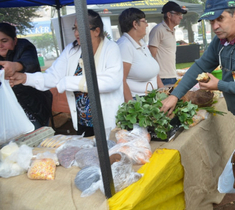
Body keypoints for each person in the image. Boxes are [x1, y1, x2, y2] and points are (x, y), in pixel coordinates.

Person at [160, 0, 235, 210]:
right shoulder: (222, 39)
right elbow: (202, 65)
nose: (215, 26)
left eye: (220, 18)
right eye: (211, 21)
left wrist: (219, 85)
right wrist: (174, 95)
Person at [10, 10, 124, 138]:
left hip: (108, 122)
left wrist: (67, 82)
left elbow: (111, 81)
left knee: (110, 155)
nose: (76, 33)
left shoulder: (111, 48)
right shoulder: (71, 50)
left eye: (80, 29)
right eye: (74, 28)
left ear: (97, 31)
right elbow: (52, 76)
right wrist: (25, 78)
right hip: (82, 122)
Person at [0, 22, 52, 129]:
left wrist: (15, 66)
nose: (0, 46)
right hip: (9, 109)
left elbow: (30, 62)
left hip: (33, 106)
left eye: (4, 41)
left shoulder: (24, 46)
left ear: (15, 40)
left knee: (36, 136)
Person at [116, 8, 163, 102]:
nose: (147, 24)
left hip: (152, 98)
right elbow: (121, 79)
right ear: (135, 24)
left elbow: (154, 72)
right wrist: (132, 106)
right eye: (144, 21)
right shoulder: (124, 46)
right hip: (138, 100)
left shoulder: (141, 42)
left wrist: (163, 91)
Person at [148, 1, 187, 86]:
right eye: (178, 14)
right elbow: (151, 57)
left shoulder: (172, 30)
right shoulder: (158, 30)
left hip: (172, 76)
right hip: (162, 78)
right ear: (169, 15)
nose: (181, 17)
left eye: (181, 15)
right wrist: (158, 81)